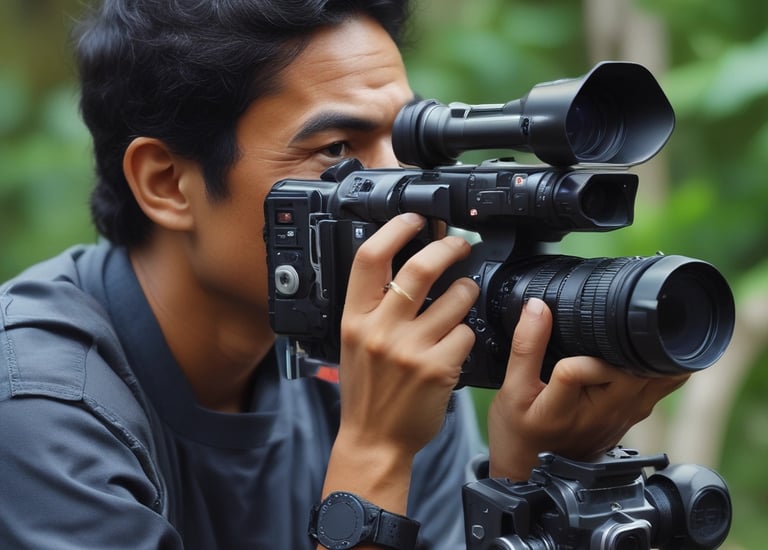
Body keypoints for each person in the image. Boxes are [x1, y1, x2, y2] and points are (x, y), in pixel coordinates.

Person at [0, 1, 688, 548]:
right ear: (167, 184)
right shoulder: (36, 411)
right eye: (337, 149)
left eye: (410, 139)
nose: (407, 188)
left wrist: (525, 481)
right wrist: (375, 450)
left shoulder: (391, 353)